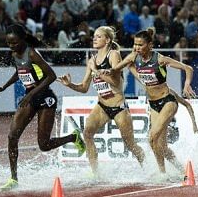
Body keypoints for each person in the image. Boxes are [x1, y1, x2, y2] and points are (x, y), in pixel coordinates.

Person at [0, 24, 85, 191]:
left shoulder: (32, 53)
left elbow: (51, 76)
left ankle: (74, 138)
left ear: (22, 40)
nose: (11, 46)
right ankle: (13, 178)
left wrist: (30, 94)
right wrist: (5, 86)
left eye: (14, 43)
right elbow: (19, 72)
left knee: (44, 145)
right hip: (31, 98)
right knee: (12, 136)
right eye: (8, 43)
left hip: (45, 99)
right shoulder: (15, 54)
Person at [104, 28, 196, 174]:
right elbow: (118, 68)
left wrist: (186, 84)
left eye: (140, 45)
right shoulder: (134, 56)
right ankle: (182, 170)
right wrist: (109, 71)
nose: (136, 48)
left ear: (150, 45)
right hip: (153, 104)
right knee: (161, 146)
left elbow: (188, 68)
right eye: (135, 44)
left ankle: (162, 173)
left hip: (168, 101)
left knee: (152, 137)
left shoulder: (160, 59)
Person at [57, 26, 145, 175]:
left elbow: (116, 82)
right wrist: (70, 85)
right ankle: (95, 172)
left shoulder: (114, 55)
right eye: (94, 36)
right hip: (102, 106)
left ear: (107, 40)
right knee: (87, 133)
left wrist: (96, 70)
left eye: (99, 36)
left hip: (118, 107)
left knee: (130, 143)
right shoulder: (91, 60)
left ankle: (148, 166)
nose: (94, 38)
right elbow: (84, 87)